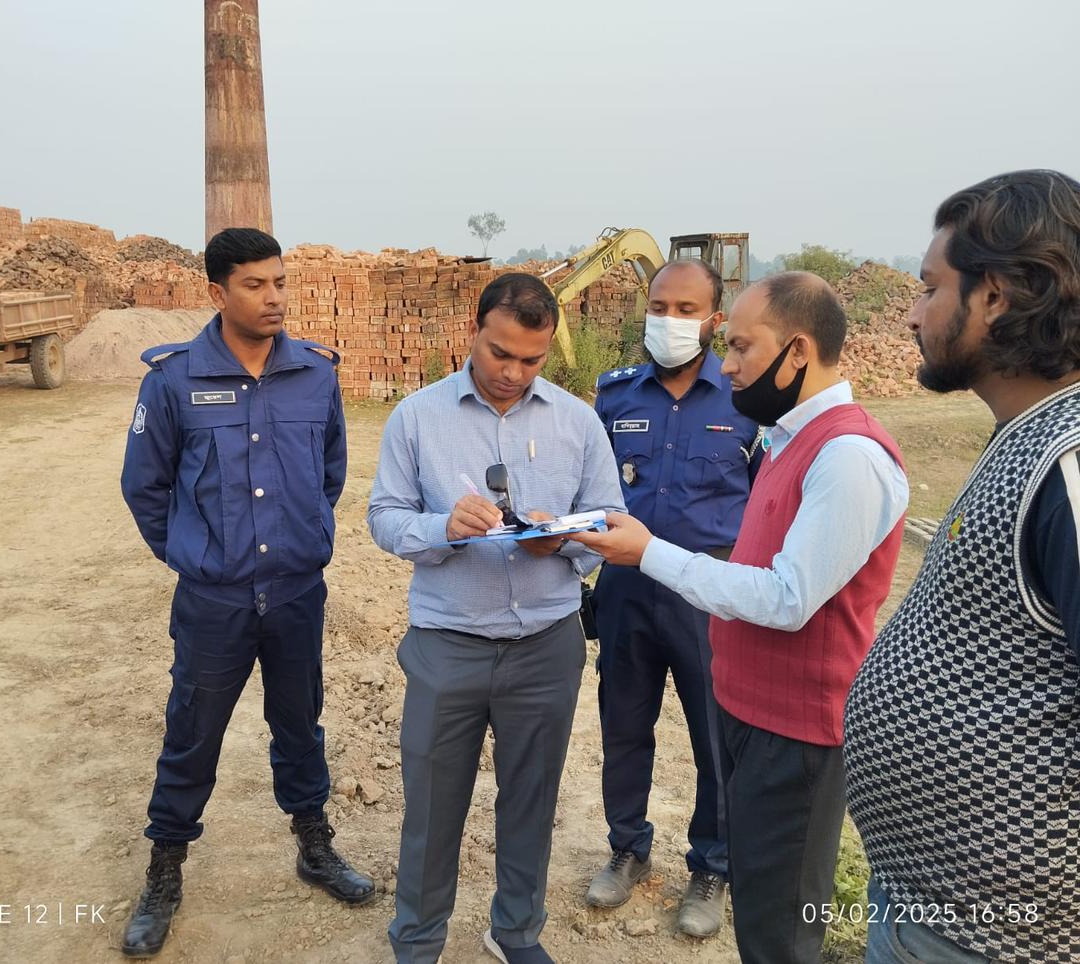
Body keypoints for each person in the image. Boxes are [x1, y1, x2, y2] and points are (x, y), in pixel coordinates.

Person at [571, 271, 909, 964]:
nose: (728, 364)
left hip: (794, 721)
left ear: (797, 351)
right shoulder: (790, 437)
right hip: (731, 676)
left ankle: (709, 866)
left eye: (742, 346)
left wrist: (652, 552)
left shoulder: (846, 456)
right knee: (765, 915)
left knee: (781, 925)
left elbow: (787, 597)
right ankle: (628, 847)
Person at [844, 169, 1080, 964]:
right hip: (941, 908)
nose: (910, 313)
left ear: (998, 297)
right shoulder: (1029, 434)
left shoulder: (1071, 459)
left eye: (928, 288)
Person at [119, 227, 372, 959]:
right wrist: (193, 556)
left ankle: (314, 846)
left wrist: (301, 541)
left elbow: (330, 473)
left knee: (300, 726)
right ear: (217, 293)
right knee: (191, 736)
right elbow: (146, 487)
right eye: (256, 284)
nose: (273, 297)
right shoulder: (172, 379)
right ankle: (164, 872)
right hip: (214, 600)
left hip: (295, 593)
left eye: (280, 282)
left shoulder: (315, 374)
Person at [368, 273, 624, 964]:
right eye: (499, 352)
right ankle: (417, 943)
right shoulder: (416, 418)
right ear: (472, 332)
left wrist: (563, 539)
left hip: (546, 644)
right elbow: (384, 519)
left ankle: (515, 932)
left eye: (531, 359)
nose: (512, 372)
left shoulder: (577, 421)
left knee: (531, 801)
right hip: (447, 643)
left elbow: (612, 520)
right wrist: (441, 526)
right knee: (431, 805)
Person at [585, 259, 758, 939]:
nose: (672, 320)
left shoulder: (746, 403)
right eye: (661, 305)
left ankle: (713, 864)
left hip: (708, 594)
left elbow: (769, 503)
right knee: (624, 727)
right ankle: (627, 848)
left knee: (716, 740)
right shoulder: (615, 396)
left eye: (688, 309)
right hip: (627, 588)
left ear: (716, 318)